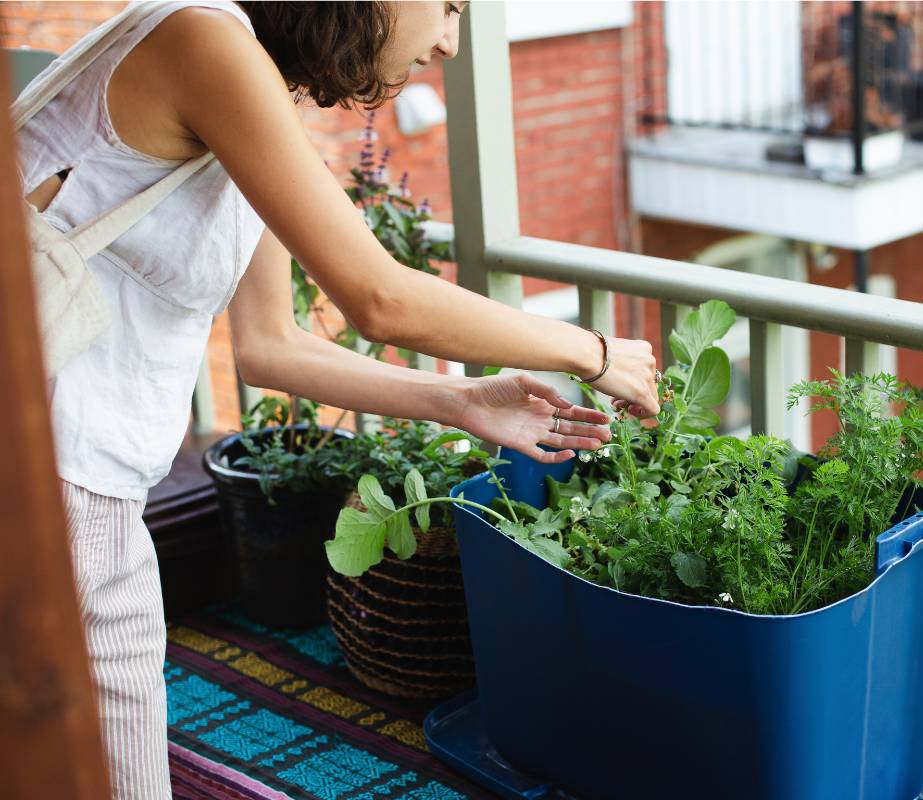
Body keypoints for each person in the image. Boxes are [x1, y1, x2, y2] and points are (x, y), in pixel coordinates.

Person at [15, 2, 660, 796]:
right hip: (35, 476)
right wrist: (592, 352)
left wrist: (463, 402)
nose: (452, 43)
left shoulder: (260, 89)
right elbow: (378, 297)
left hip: (102, 496)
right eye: (450, 7)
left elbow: (271, 343)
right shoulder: (203, 40)